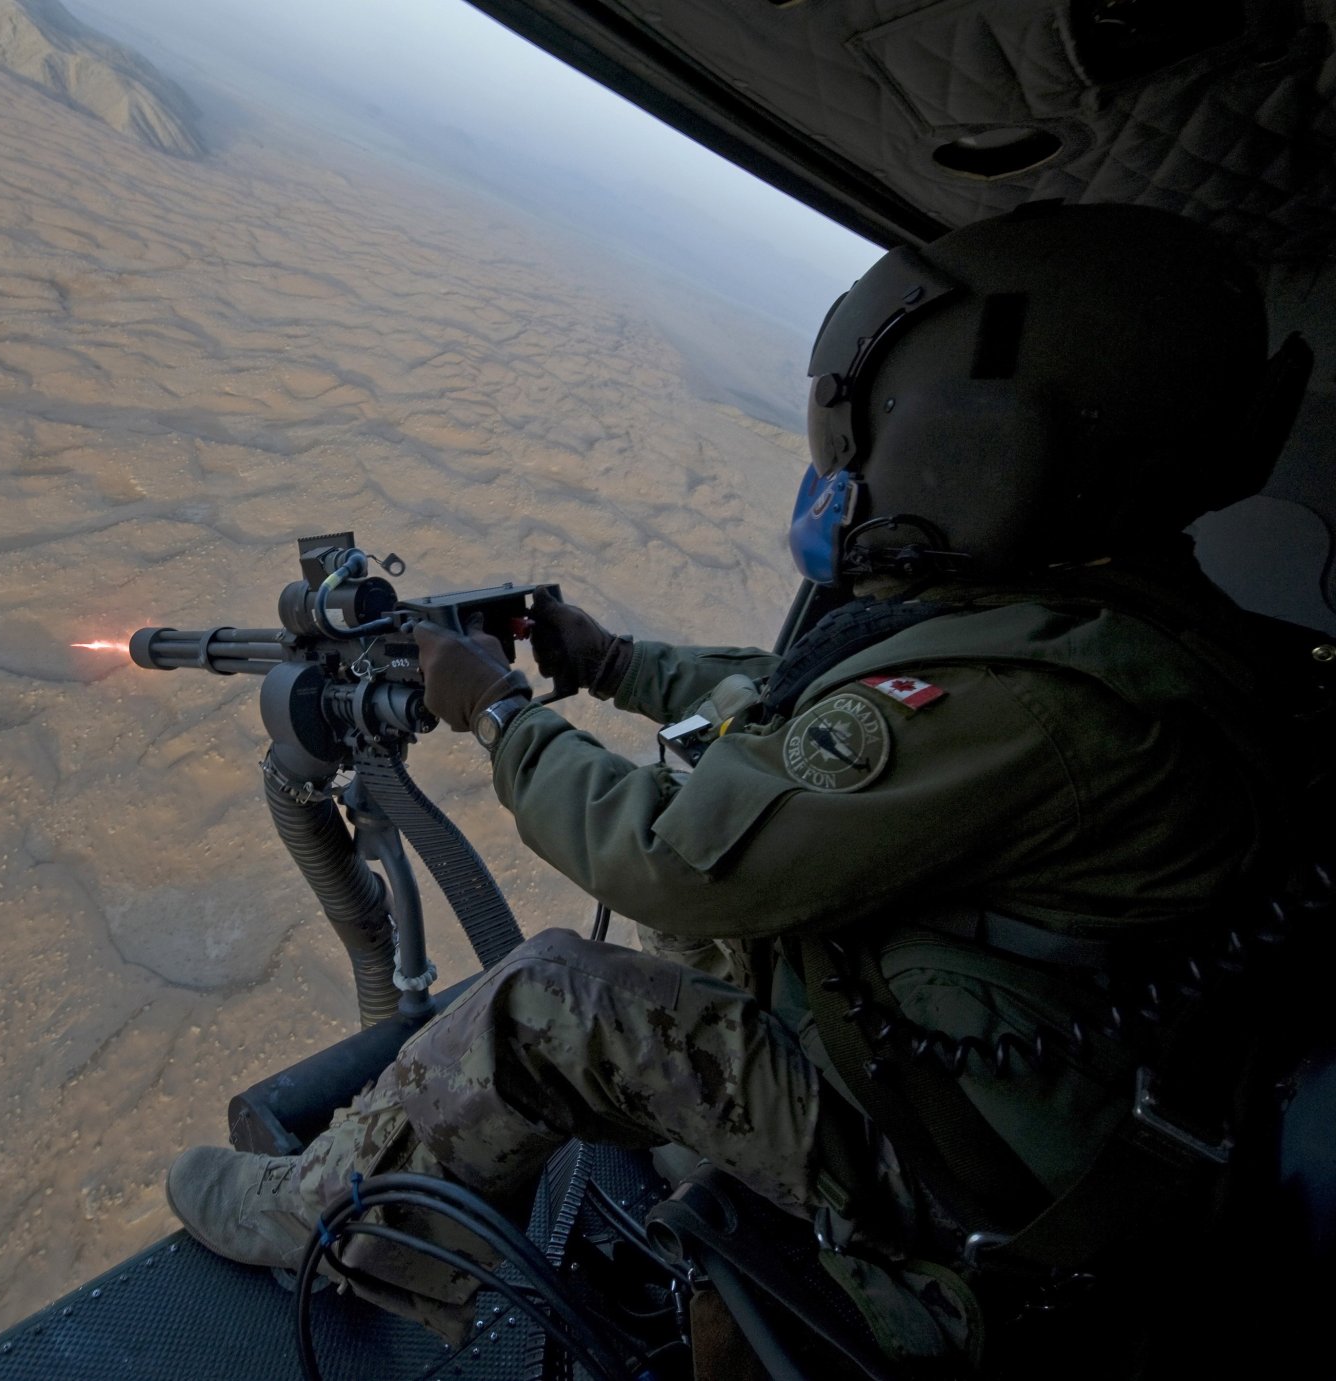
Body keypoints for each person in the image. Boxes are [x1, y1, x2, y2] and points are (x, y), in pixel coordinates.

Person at [162, 203, 1314, 1365]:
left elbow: (670, 853)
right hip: (1029, 1097)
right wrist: (613, 664)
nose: (850, 476)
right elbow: (811, 709)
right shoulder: (1109, 625)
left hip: (973, 1180)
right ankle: (691, 1151)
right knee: (685, 945)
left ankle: (321, 1220)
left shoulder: (1048, 706)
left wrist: (493, 709)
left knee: (551, 999)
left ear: (989, 439)